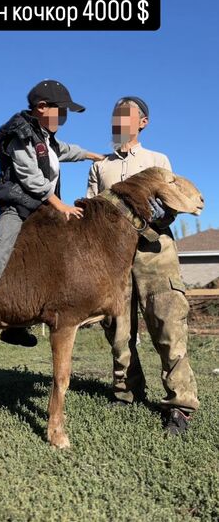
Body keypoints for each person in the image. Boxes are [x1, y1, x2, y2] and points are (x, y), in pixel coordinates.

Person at [0, 80, 104, 356]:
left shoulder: (46, 138)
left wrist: (93, 155)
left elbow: (65, 151)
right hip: (18, 207)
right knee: (1, 249)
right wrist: (60, 205)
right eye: (61, 111)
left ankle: (18, 325)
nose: (64, 118)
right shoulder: (20, 135)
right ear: (42, 107)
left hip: (40, 211)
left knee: (45, 258)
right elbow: (31, 178)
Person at [86, 96, 199, 435]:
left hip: (155, 252)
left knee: (167, 326)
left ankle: (180, 404)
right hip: (113, 257)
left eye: (125, 116)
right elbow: (92, 210)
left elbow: (174, 201)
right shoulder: (99, 166)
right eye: (114, 116)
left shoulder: (157, 159)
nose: (117, 122)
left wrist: (157, 214)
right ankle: (126, 392)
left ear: (143, 123)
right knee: (118, 330)